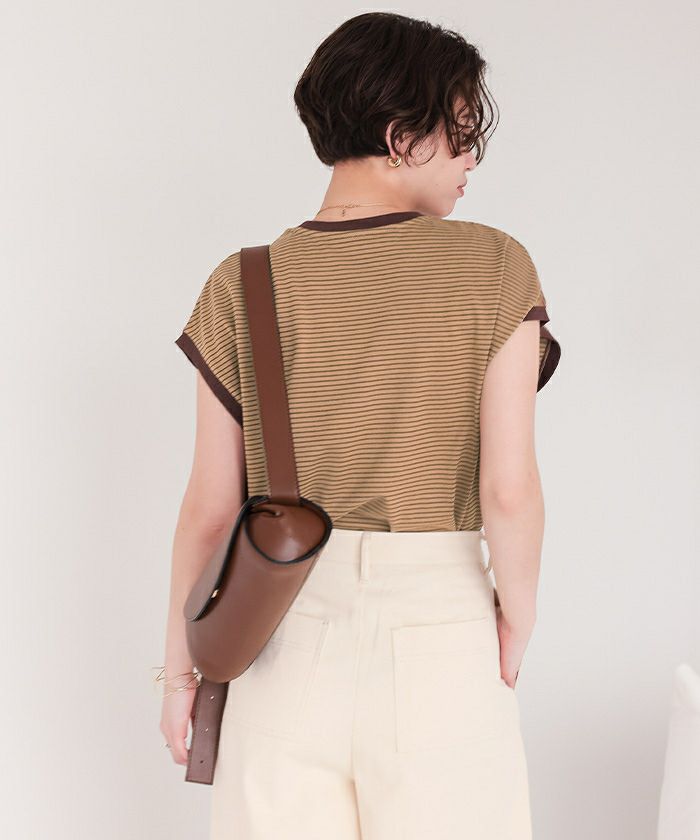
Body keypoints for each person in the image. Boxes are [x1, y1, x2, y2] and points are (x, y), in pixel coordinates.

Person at [159, 11, 561, 840]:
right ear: (400, 135)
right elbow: (509, 489)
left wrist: (179, 675)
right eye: (461, 134)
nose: (472, 160)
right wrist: (515, 618)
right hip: (440, 638)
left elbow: (209, 509)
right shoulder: (495, 264)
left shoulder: (243, 282)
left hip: (280, 641)